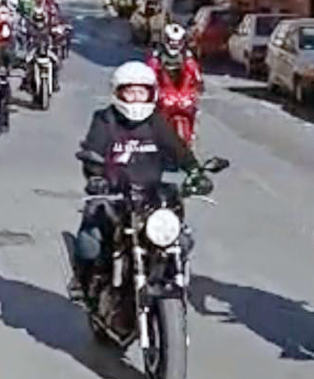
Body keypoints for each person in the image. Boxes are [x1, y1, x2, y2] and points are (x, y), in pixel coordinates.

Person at [71, 61, 210, 294]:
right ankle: (82, 282)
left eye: (141, 92)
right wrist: (96, 178)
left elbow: (178, 149)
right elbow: (93, 150)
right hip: (114, 195)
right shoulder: (105, 119)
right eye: (130, 92)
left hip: (152, 197)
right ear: (118, 93)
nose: (136, 98)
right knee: (90, 241)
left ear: (151, 93)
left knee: (181, 238)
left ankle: (172, 273)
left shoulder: (156, 121)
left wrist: (195, 171)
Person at [147, 23, 203, 140]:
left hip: (182, 90)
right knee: (152, 110)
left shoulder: (186, 55)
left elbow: (193, 69)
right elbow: (150, 70)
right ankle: (153, 133)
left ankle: (192, 131)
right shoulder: (157, 55)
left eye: (177, 42)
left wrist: (199, 82)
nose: (174, 44)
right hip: (163, 88)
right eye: (171, 41)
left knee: (193, 109)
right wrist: (150, 84)